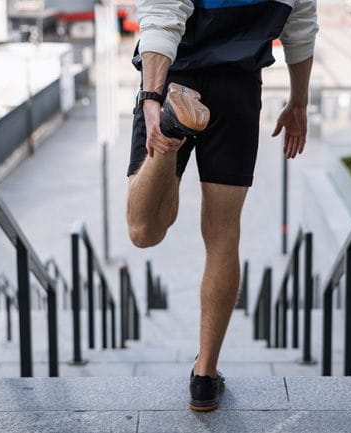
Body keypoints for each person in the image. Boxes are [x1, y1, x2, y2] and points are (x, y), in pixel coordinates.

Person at [125, 0, 318, 412]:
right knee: (224, 234)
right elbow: (300, 26)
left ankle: (172, 134)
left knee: (144, 231)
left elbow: (162, 13)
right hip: (238, 87)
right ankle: (205, 377)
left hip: (174, 76)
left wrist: (151, 95)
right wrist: (298, 101)